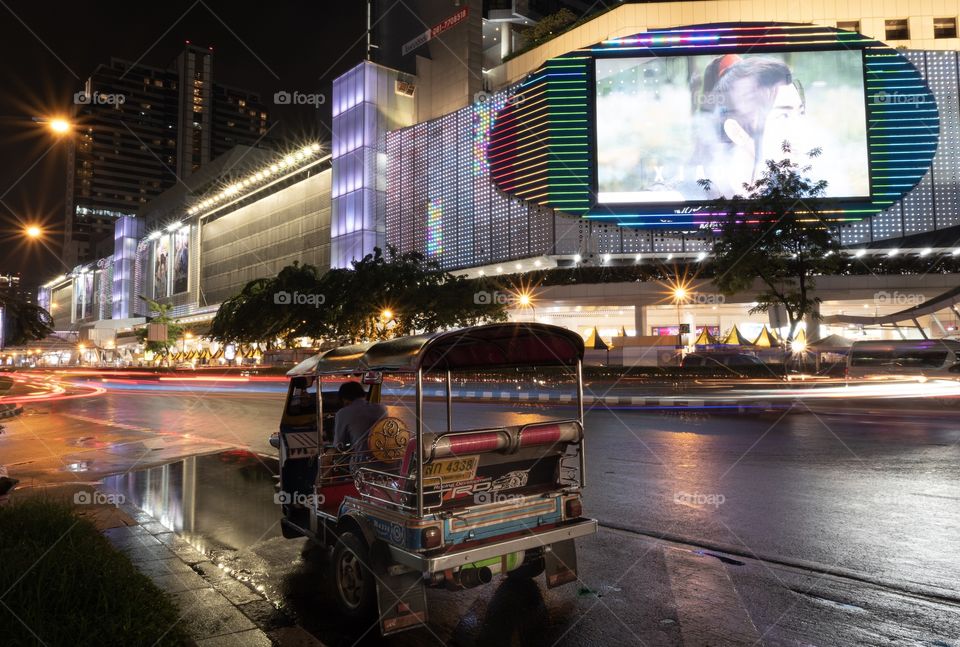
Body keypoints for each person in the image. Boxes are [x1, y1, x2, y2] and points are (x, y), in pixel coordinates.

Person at [333, 381, 386, 474]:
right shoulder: (382, 409)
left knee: (327, 458)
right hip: (389, 462)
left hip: (363, 467)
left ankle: (320, 483)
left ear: (344, 399)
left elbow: (339, 445)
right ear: (363, 395)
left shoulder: (342, 413)